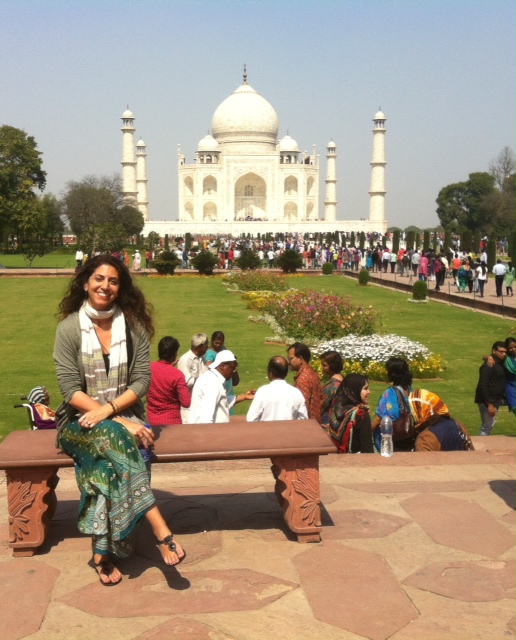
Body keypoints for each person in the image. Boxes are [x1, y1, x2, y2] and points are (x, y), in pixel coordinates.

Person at [53, 255, 185, 586]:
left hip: (121, 417)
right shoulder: (69, 329)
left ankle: (102, 552)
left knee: (105, 464)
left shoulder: (132, 328)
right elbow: (70, 389)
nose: (105, 286)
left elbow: (141, 381)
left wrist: (109, 413)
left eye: (113, 281)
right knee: (117, 435)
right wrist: (118, 420)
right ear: (86, 283)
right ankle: (160, 528)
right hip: (78, 424)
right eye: (99, 279)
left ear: (120, 288)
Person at [188, 350, 255, 423]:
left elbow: (222, 402)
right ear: (223, 366)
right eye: (233, 368)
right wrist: (209, 430)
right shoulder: (212, 383)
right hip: (207, 428)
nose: (234, 372)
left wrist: (244, 396)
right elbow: (206, 416)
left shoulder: (212, 378)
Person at [409, 389, 474, 451]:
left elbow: (422, 459)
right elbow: (471, 452)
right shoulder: (458, 425)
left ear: (418, 410)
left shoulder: (425, 439)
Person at [372, 357, 414, 451]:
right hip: (408, 438)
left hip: (392, 439)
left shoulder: (390, 393)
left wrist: (368, 432)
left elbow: (379, 418)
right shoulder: (410, 390)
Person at [147, 336, 191, 426]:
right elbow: (186, 403)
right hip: (172, 423)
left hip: (152, 421)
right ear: (174, 353)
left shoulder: (148, 369)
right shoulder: (177, 375)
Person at [247, 356, 308, 421]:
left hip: (267, 428)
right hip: (290, 428)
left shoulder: (262, 392)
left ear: (270, 373)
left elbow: (251, 418)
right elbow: (303, 419)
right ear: (286, 373)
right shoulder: (296, 393)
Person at [327, 374, 374, 453]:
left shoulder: (335, 408)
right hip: (354, 459)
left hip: (336, 456)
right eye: (365, 388)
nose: (369, 392)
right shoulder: (360, 415)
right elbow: (367, 450)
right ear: (355, 390)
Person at [475, 341, 507, 435]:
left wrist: (487, 356)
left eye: (505, 352)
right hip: (487, 400)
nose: (504, 354)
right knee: (487, 426)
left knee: (490, 425)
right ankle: (480, 444)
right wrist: (490, 405)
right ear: (494, 351)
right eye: (501, 352)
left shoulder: (500, 362)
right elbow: (482, 385)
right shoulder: (488, 365)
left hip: (498, 399)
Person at [204, 331, 240, 413]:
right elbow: (208, 364)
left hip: (228, 384)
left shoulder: (223, 349)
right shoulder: (210, 353)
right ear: (212, 341)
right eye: (216, 343)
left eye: (220, 343)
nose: (218, 345)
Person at [176, 333, 209, 422]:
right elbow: (187, 382)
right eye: (206, 345)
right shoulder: (185, 359)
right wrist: (204, 380)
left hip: (201, 403)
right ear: (201, 346)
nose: (207, 347)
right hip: (189, 405)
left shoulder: (202, 359)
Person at [287, 342, 323, 422]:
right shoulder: (313, 374)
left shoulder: (303, 379)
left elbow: (302, 407)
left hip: (306, 425)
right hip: (315, 423)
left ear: (300, 359)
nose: (288, 362)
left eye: (291, 358)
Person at [319, 350, 344, 429]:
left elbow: (321, 406)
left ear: (333, 366)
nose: (322, 368)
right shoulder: (342, 380)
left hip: (327, 423)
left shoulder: (332, 385)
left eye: (324, 365)